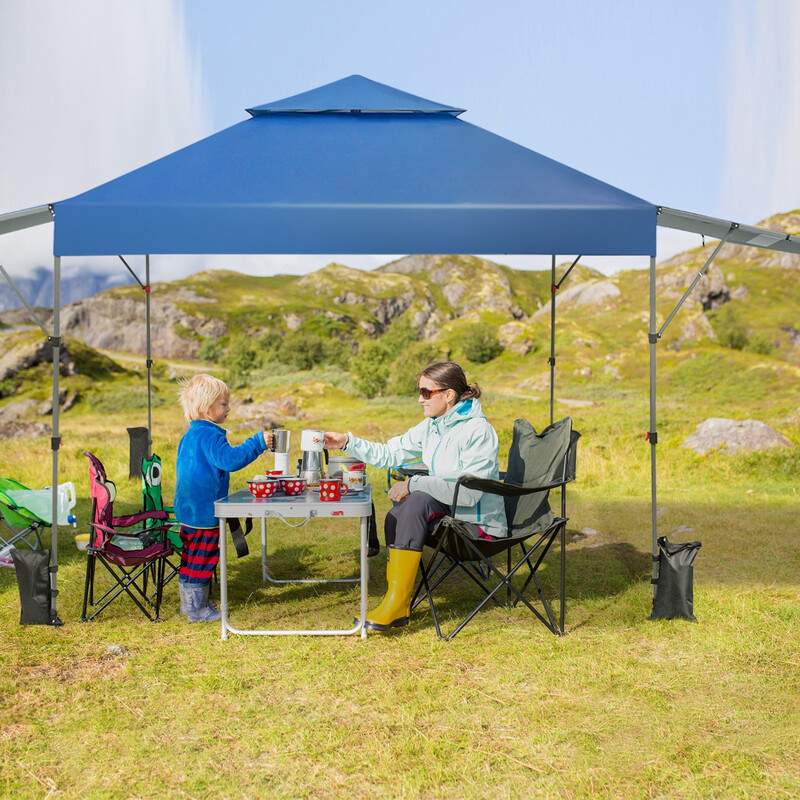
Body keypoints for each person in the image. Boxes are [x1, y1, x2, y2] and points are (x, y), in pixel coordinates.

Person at [324, 361, 506, 633]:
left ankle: (397, 603)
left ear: (448, 395)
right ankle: (396, 601)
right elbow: (389, 453)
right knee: (397, 514)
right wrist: (346, 442)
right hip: (453, 515)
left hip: (479, 527)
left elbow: (469, 494)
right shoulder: (432, 426)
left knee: (417, 500)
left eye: (426, 392)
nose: (420, 399)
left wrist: (414, 483)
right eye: (420, 392)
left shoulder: (478, 431)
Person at [174, 374, 273, 623]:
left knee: (190, 558)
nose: (229, 408)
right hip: (205, 512)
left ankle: (188, 605)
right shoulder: (211, 435)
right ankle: (197, 611)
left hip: (187, 512)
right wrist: (257, 443)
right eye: (224, 404)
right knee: (203, 560)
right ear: (206, 407)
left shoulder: (190, 435)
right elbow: (229, 460)